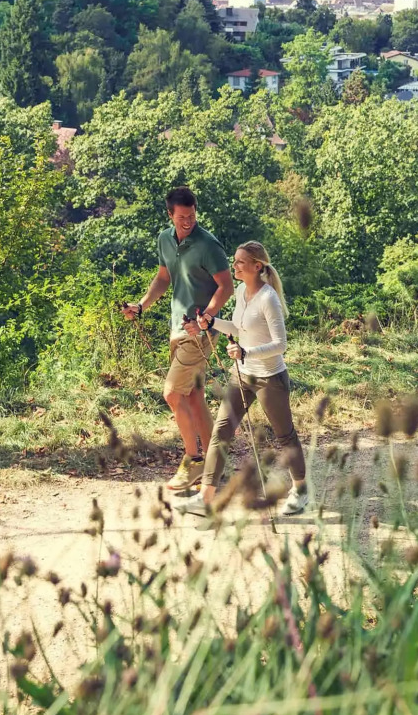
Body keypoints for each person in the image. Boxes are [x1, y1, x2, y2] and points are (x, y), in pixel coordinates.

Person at [180, 240, 308, 516]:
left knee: (285, 436)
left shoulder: (268, 298)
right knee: (221, 432)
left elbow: (281, 344)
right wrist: (212, 322)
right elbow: (238, 328)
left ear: (257, 266)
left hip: (269, 378)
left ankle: (301, 490)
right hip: (242, 375)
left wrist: (246, 352)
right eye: (235, 260)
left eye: (240, 262)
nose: (234, 265)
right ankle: (205, 498)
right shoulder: (241, 291)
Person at [122, 185, 233, 491]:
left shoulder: (208, 244)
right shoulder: (164, 239)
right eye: (182, 217)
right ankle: (215, 464)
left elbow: (226, 286)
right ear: (170, 214)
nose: (188, 221)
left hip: (200, 331)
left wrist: (207, 317)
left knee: (172, 393)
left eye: (192, 215)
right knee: (192, 395)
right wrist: (141, 306)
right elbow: (163, 278)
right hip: (177, 327)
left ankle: (193, 460)